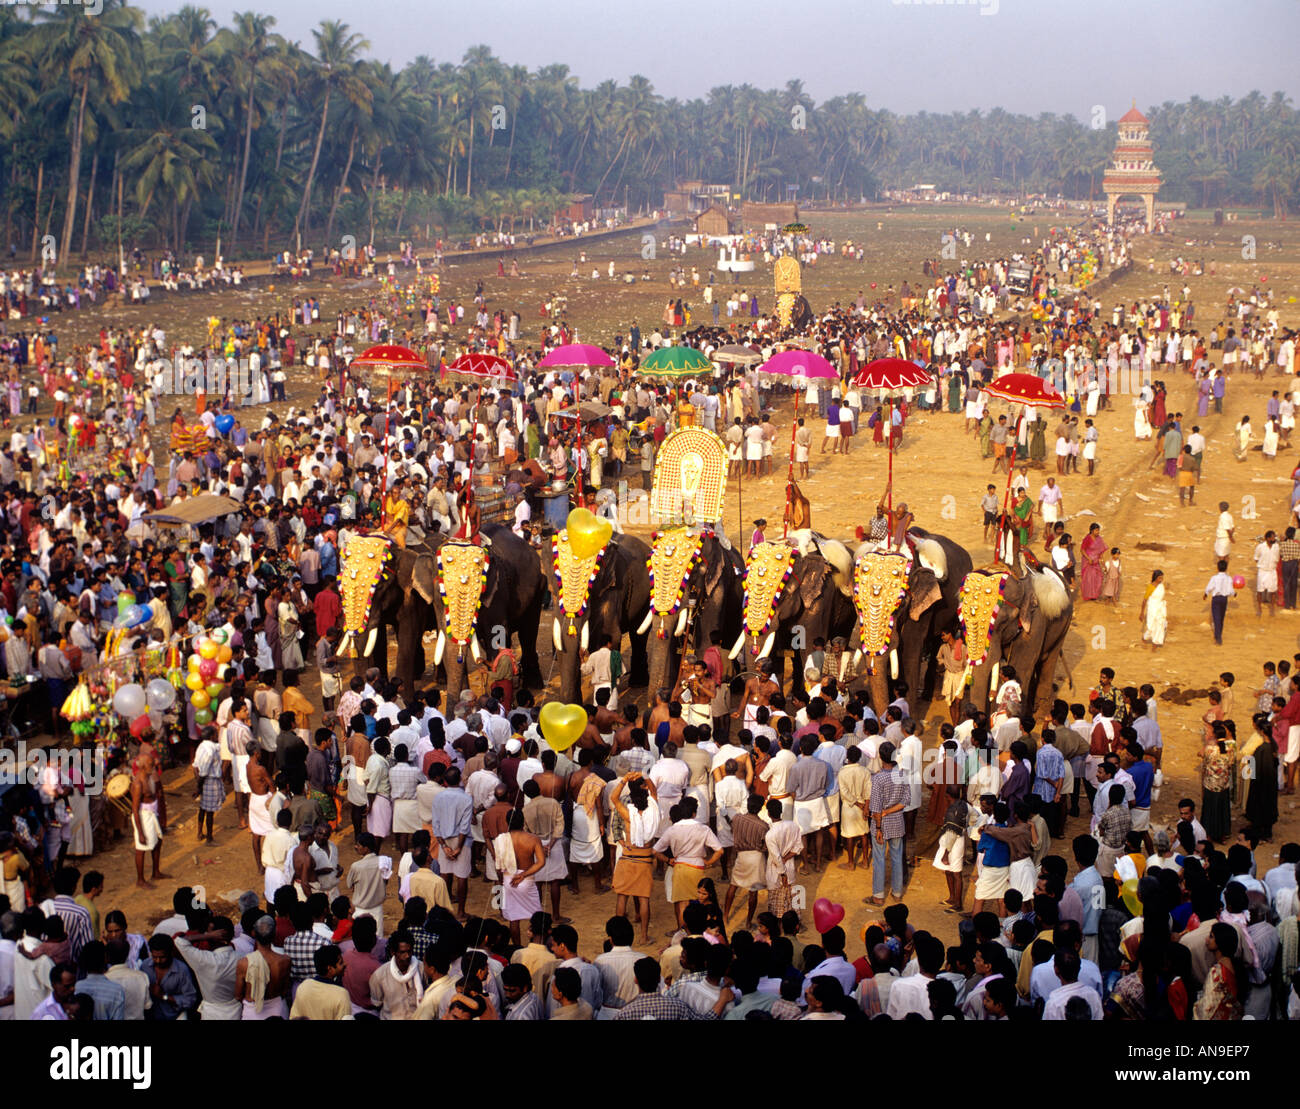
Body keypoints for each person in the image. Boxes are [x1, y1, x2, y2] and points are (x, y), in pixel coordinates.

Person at [1203, 560, 1234, 645]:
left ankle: (1218, 638)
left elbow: (1209, 587)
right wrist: (1234, 594)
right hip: (1224, 599)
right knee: (1221, 617)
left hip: (1216, 599)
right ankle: (1218, 634)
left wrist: (1205, 594)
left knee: (1216, 617)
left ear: (1217, 568)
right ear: (1226, 568)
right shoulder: (1229, 578)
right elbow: (1231, 590)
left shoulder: (1214, 578)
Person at [1139, 570, 1167, 648]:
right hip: (1152, 609)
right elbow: (1144, 600)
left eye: (1162, 578)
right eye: (1159, 578)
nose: (1161, 579)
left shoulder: (1161, 586)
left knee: (1160, 624)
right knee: (1151, 627)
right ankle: (1145, 638)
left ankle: (1155, 644)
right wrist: (1141, 613)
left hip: (1160, 609)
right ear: (1155, 578)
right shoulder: (1150, 587)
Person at [1080, 524, 1106, 602]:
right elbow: (1082, 550)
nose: (1098, 532)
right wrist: (1088, 558)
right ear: (1092, 530)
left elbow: (1101, 551)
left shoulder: (1099, 539)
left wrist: (1102, 560)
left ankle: (1095, 595)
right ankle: (1089, 595)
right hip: (1088, 562)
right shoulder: (1087, 539)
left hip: (1096, 561)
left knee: (1098, 578)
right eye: (1096, 530)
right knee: (1089, 579)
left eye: (1098, 530)